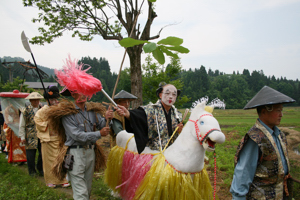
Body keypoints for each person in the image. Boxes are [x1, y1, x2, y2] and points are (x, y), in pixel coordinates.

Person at [47, 57, 114, 200]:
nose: (80, 95)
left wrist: (108, 117)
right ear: (72, 94)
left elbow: (103, 125)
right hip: (75, 154)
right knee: (81, 192)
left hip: (91, 152)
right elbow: (76, 135)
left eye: (82, 90)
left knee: (87, 189)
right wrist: (99, 133)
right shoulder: (67, 114)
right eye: (76, 92)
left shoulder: (92, 111)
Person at [230, 86, 295, 200]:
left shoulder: (279, 135)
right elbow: (243, 175)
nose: (281, 115)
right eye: (278, 110)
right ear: (264, 111)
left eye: (281, 110)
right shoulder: (255, 139)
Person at [116, 82, 183, 153]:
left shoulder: (177, 115)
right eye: (167, 93)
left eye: (174, 94)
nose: (171, 97)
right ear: (160, 95)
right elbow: (139, 116)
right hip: (154, 152)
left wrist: (179, 131)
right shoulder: (150, 110)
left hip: (172, 152)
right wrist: (129, 114)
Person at [34, 86, 70, 188]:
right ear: (47, 100)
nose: (54, 101)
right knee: (49, 161)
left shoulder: (60, 109)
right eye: (51, 99)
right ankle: (51, 180)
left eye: (55, 99)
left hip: (59, 138)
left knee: (61, 159)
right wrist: (48, 122)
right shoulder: (42, 111)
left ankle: (63, 179)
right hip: (48, 139)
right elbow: (37, 120)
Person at [19, 92, 44, 176]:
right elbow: (22, 125)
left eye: (37, 100)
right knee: (30, 154)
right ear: (30, 100)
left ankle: (40, 169)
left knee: (42, 153)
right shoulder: (25, 111)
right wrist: (22, 137)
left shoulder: (42, 109)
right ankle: (32, 171)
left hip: (41, 134)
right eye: (34, 100)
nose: (36, 101)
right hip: (30, 135)